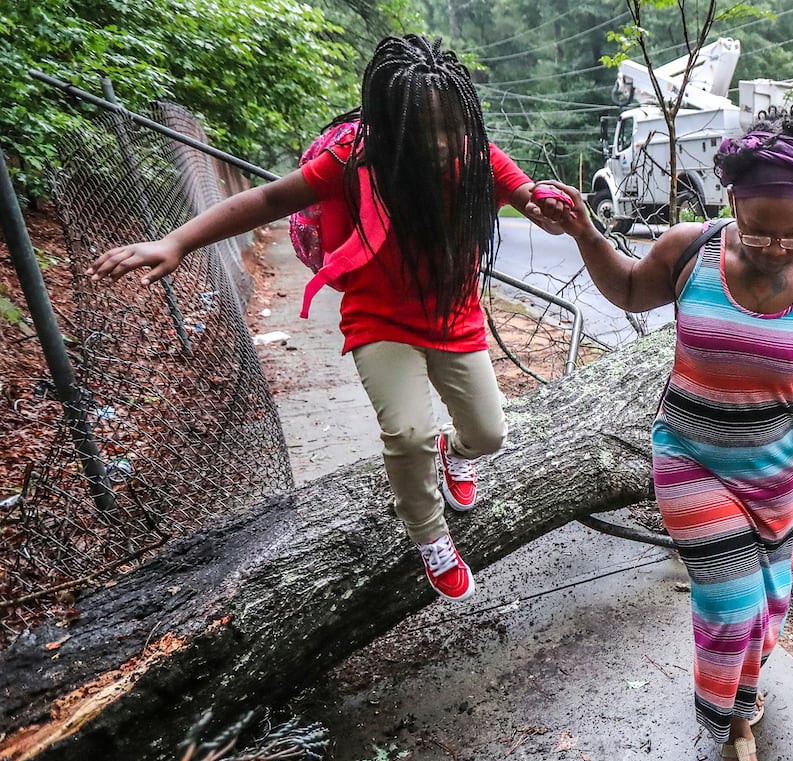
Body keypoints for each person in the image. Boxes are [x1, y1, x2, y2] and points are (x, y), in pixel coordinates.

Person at [90, 35, 566, 602]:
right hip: (379, 318)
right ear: (390, 126)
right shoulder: (354, 160)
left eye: (451, 127)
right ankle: (428, 533)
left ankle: (455, 454)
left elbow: (529, 195)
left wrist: (546, 206)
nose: (442, 144)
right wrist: (177, 241)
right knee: (408, 432)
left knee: (488, 435)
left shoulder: (477, 156)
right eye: (425, 130)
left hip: (454, 317)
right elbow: (267, 201)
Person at [535, 102, 793, 761]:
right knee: (731, 604)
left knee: (769, 604)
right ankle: (732, 729)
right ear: (731, 200)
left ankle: (742, 690)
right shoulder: (689, 247)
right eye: (759, 228)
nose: (775, 245)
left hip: (772, 466)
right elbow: (629, 288)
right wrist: (584, 232)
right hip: (689, 457)